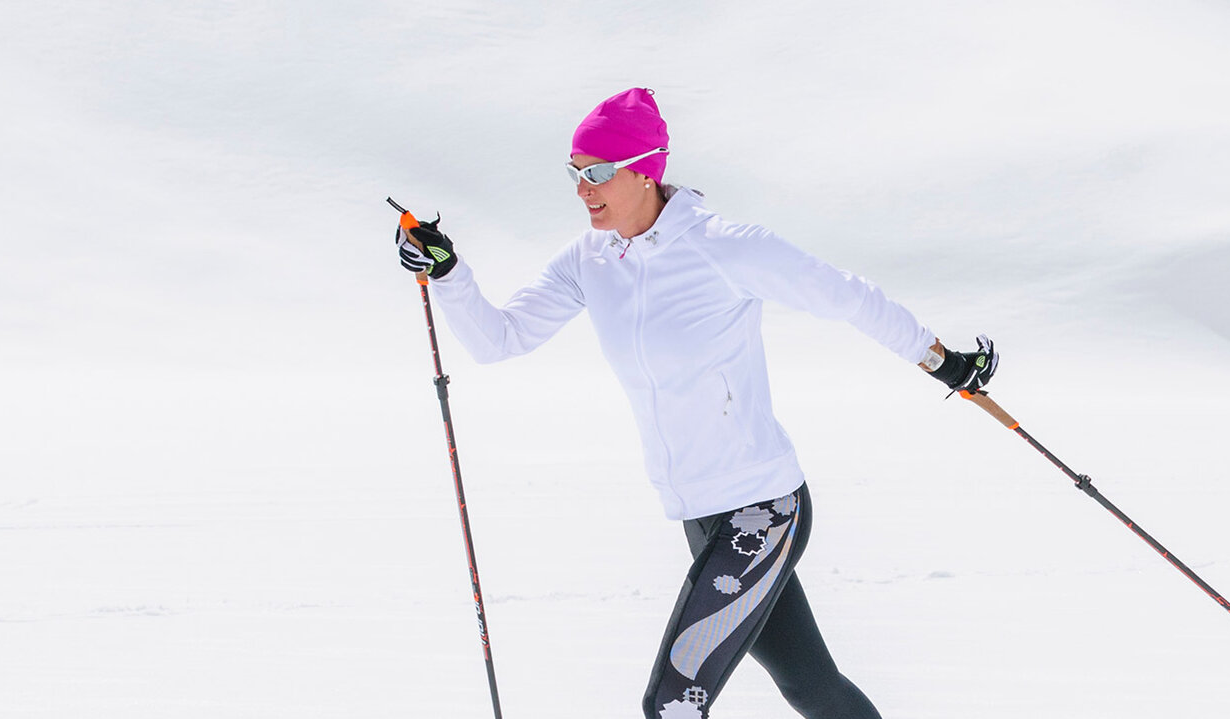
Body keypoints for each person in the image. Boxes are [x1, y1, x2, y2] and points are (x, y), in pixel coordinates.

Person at [395, 87, 997, 719]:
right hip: (698, 512)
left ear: (647, 169)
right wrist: (449, 274)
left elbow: (849, 297)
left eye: (598, 172)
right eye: (575, 173)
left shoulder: (723, 246)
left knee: (672, 703)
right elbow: (499, 340)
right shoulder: (590, 259)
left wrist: (944, 361)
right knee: (811, 686)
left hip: (762, 510)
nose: (583, 188)